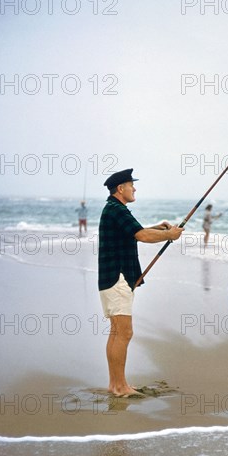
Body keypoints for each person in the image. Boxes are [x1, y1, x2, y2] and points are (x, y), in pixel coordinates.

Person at [98, 168, 184, 397]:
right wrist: (170, 235)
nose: (134, 188)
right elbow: (142, 236)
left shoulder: (115, 209)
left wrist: (158, 228)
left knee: (117, 332)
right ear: (120, 189)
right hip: (118, 279)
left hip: (113, 279)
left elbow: (136, 231)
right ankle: (119, 386)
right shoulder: (117, 210)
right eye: (131, 185)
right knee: (123, 333)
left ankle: (116, 384)